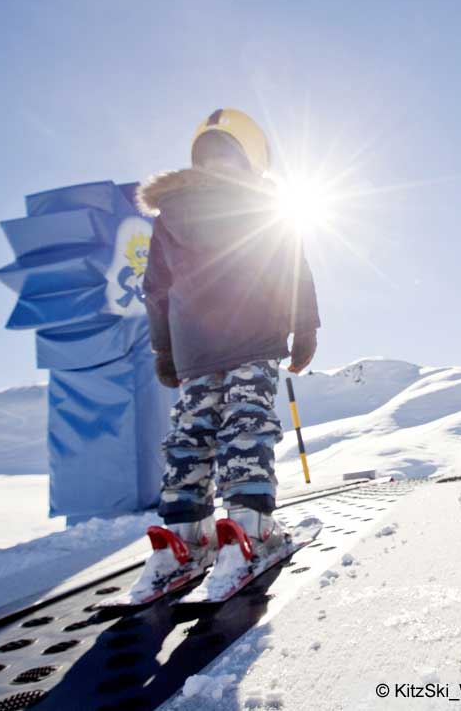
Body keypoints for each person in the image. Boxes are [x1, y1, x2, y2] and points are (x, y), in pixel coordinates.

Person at [131, 108, 320, 595]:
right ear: (253, 153)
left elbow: (157, 289)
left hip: (193, 346)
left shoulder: (170, 213)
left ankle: (182, 537)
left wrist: (165, 351)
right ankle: (249, 529)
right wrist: (305, 329)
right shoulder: (263, 200)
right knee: (246, 422)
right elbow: (291, 268)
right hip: (253, 335)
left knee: (192, 432)